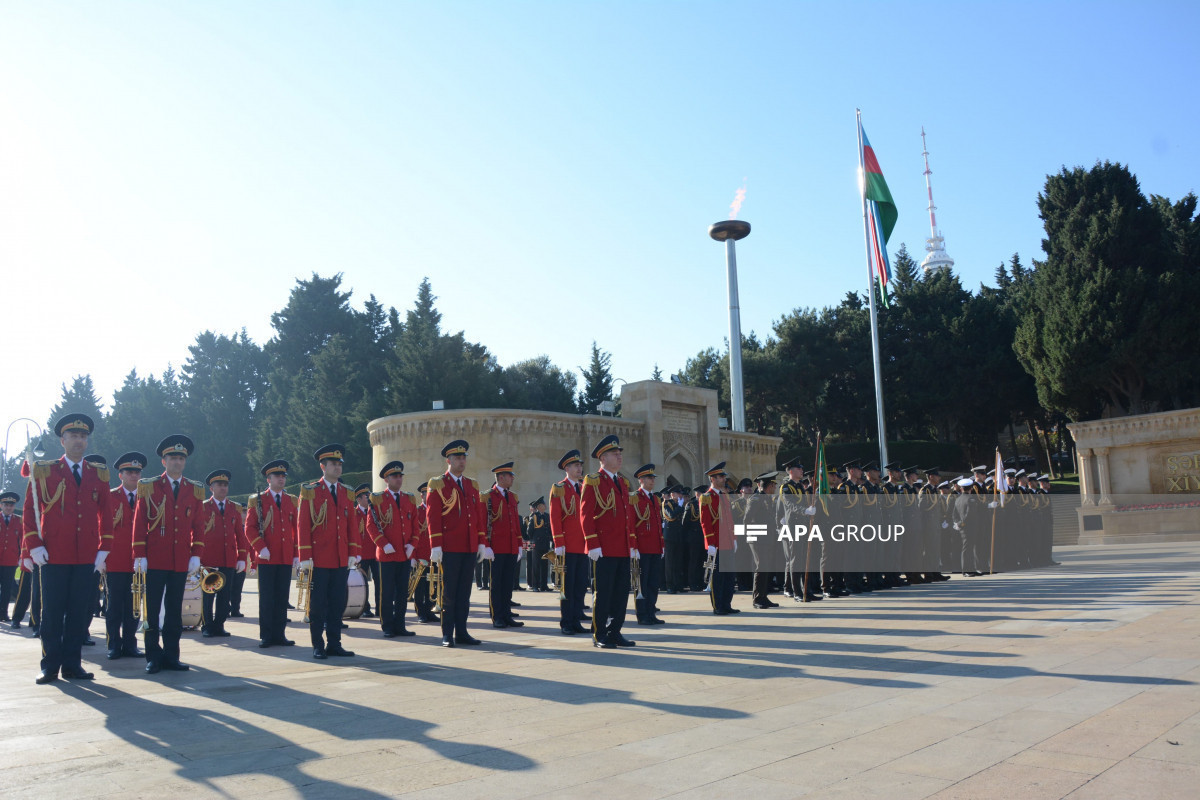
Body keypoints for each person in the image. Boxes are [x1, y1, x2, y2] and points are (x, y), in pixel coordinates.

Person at [23, 414, 113, 684]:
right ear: (62, 441)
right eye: (73, 436)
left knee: (78, 613)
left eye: (83, 437)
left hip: (86, 555)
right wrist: (34, 545)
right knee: (51, 613)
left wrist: (104, 548)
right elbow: (30, 510)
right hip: (53, 554)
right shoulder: (45, 470)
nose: (78, 440)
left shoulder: (98, 473)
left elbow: (106, 513)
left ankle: (73, 665)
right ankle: (50, 666)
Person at [132, 434, 205, 675]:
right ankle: (153, 656)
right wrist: (139, 553)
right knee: (151, 609)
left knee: (175, 610)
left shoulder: (194, 490)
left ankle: (172, 655)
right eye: (173, 457)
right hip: (154, 558)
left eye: (181, 458)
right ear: (164, 461)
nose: (177, 462)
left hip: (179, 560)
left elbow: (198, 524)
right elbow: (140, 522)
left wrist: (196, 553)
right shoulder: (149, 486)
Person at [297, 444, 360, 660]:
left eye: (340, 463)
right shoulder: (311, 491)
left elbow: (352, 524)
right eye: (333, 463)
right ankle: (317, 645)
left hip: (340, 558)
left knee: (336, 604)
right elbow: (303, 525)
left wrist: (354, 551)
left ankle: (335, 643)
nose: (338, 467)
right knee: (317, 605)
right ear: (323, 466)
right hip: (319, 559)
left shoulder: (346, 492)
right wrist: (305, 556)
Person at [425, 439, 487, 648]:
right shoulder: (438, 484)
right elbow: (433, 517)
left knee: (464, 593)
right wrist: (435, 545)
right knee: (449, 593)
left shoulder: (472, 484)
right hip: (449, 548)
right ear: (448, 460)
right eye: (458, 458)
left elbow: (477, 517)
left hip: (468, 547)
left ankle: (462, 631)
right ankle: (447, 634)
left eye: (464, 458)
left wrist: (481, 542)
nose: (462, 461)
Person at [580, 434, 638, 649]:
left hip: (621, 548)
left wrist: (631, 544)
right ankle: (599, 634)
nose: (619, 457)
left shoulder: (622, 481)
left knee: (621, 593)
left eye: (620, 453)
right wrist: (592, 543)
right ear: (602, 458)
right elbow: (585, 514)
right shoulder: (593, 480)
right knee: (603, 593)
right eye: (615, 454)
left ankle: (615, 631)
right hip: (603, 548)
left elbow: (627, 516)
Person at [245, 460, 298, 648]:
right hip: (267, 557)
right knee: (267, 597)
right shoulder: (258, 500)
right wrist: (260, 547)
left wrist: (296, 553)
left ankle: (279, 634)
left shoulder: (291, 500)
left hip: (284, 556)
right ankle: (266, 635)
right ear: (269, 479)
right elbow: (250, 529)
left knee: (282, 597)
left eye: (283, 476)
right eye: (277, 476)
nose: (281, 479)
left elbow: (295, 529)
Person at [366, 460, 417, 639]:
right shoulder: (378, 498)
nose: (398, 479)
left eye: (400, 476)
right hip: (386, 555)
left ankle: (400, 625)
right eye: (394, 476)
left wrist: (413, 544)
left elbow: (415, 524)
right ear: (386, 479)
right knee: (386, 593)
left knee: (403, 593)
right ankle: (387, 626)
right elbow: (371, 526)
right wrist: (383, 543)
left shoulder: (409, 498)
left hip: (404, 554)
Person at [104, 452, 146, 659]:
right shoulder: (110, 497)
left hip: (138, 562)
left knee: (133, 606)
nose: (134, 476)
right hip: (114, 560)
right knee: (113, 606)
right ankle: (113, 644)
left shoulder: (147, 498)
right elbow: (99, 527)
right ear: (120, 475)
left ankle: (130, 644)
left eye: (137, 472)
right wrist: (100, 556)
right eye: (129, 472)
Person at [199, 469, 245, 639]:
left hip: (228, 558)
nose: (223, 488)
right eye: (219, 485)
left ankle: (219, 625)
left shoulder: (234, 507)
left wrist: (242, 557)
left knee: (225, 597)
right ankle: (207, 626)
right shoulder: (203, 507)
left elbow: (240, 534)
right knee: (208, 595)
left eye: (225, 485)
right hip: (209, 559)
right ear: (211, 488)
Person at [549, 449, 588, 635]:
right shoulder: (559, 488)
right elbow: (555, 518)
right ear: (567, 468)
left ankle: (576, 619)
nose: (579, 468)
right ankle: (566, 622)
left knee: (580, 585)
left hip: (583, 546)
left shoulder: (583, 488)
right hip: (567, 546)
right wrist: (558, 543)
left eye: (580, 465)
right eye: (576, 465)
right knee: (567, 588)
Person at [479, 462, 521, 629]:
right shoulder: (488, 496)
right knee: (496, 584)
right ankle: (497, 616)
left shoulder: (512, 497)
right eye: (509, 476)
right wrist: (486, 545)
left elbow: (516, 524)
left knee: (507, 583)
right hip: (496, 547)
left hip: (510, 547)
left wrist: (518, 544)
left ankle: (506, 614)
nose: (512, 478)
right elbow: (483, 523)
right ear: (501, 477)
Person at [699, 462, 738, 615]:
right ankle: (718, 606)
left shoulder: (724, 496)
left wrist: (734, 538)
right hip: (716, 543)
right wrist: (710, 543)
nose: (724, 479)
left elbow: (729, 519)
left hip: (727, 541)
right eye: (721, 476)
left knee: (729, 576)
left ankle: (727, 604)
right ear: (712, 479)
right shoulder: (707, 497)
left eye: (723, 476)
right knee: (717, 577)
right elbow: (705, 522)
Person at [630, 464, 664, 626]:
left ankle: (651, 611)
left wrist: (661, 544)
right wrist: (633, 546)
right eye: (649, 478)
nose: (652, 481)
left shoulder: (655, 499)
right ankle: (642, 614)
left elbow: (658, 523)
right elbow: (631, 524)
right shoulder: (635, 498)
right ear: (641, 480)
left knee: (653, 582)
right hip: (642, 547)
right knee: (641, 584)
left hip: (655, 547)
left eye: (653, 478)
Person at [409, 481, 437, 623]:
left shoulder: (436, 510)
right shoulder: (417, 511)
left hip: (434, 555)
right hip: (420, 555)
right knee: (419, 587)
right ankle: (421, 612)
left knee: (432, 586)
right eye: (426, 493)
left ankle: (430, 610)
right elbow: (411, 535)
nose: (429, 496)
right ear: (422, 495)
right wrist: (413, 556)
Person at [354, 484, 380, 620]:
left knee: (380, 581)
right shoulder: (354, 513)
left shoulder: (374, 511)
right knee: (362, 583)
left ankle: (380, 608)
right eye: (366, 496)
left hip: (375, 552)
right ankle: (365, 608)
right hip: (361, 554)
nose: (369, 498)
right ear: (358, 499)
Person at [660, 486, 686, 594]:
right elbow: (671, 515)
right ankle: (669, 585)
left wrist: (680, 506)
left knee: (678, 561)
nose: (680, 496)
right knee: (670, 562)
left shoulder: (677, 505)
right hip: (669, 536)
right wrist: (680, 506)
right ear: (672, 494)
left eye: (681, 494)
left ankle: (678, 585)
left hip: (678, 536)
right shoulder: (666, 503)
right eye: (678, 494)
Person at [0, 490, 21, 622]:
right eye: (6, 504)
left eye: (11, 505)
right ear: (1, 505)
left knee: (7, 588)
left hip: (10, 560)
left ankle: (3, 613)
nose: (8, 507)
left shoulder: (19, 520)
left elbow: (23, 540)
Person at [524, 497, 551, 591]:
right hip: (537, 544)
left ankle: (544, 585)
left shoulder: (547, 516)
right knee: (536, 565)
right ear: (539, 506)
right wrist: (534, 539)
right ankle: (535, 586)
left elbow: (549, 530)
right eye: (544, 504)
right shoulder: (534, 516)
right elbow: (529, 531)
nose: (546, 506)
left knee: (544, 565)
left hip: (545, 543)